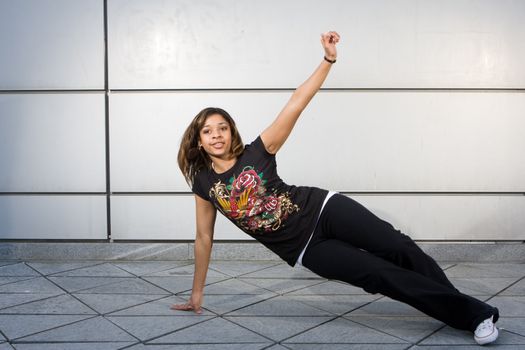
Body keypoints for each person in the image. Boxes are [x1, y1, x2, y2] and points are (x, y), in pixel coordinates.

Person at [172, 31, 499, 345]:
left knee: (399, 247)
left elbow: (296, 103)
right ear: (199, 142)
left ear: (231, 132)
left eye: (222, 128)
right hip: (305, 249)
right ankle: (468, 313)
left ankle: (466, 312)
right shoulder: (204, 184)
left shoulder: (257, 151)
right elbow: (204, 238)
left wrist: (327, 60)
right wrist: (197, 292)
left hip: (325, 209)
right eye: (207, 131)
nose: (216, 135)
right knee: (378, 273)